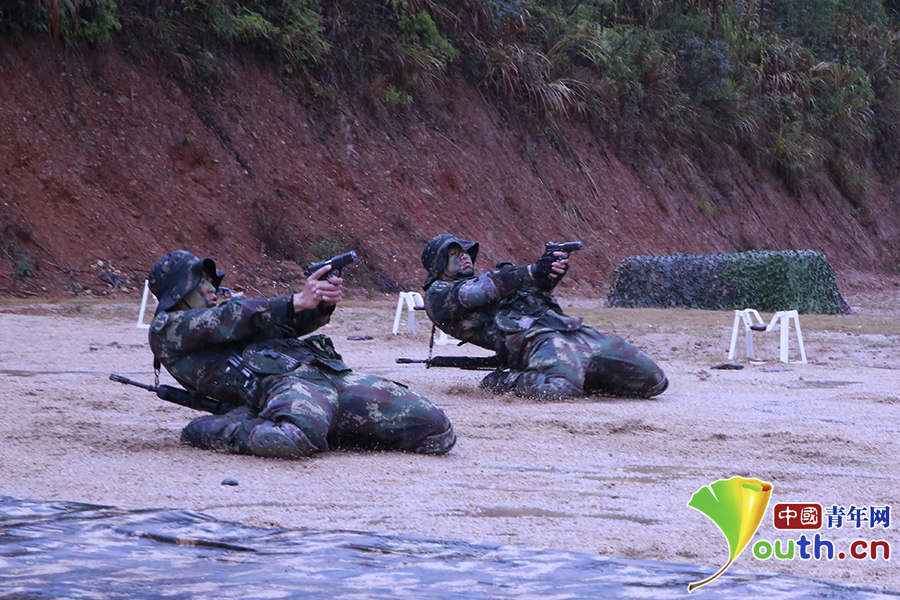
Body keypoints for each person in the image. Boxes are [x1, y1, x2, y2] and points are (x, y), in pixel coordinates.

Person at [147, 250, 456, 459]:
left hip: (325, 377)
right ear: (179, 293)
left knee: (436, 429)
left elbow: (283, 326)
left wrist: (318, 302)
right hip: (281, 386)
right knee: (292, 439)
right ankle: (226, 428)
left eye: (211, 281)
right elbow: (226, 320)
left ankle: (328, 427)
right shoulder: (167, 328)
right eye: (201, 283)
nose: (211, 288)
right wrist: (294, 300)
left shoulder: (233, 317)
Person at [421, 234, 668, 400]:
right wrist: (532, 270)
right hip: (534, 342)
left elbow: (531, 290)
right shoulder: (438, 294)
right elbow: (477, 292)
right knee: (561, 388)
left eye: (465, 251)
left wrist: (549, 273)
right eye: (455, 253)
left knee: (655, 381)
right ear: (439, 264)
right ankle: (505, 381)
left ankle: (582, 374)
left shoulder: (491, 279)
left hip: (569, 332)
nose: (464, 255)